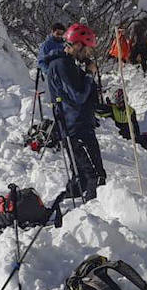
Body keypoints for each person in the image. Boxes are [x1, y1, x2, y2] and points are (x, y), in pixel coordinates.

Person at [45, 23, 108, 199]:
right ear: (78, 45)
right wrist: (88, 74)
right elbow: (78, 96)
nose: (88, 54)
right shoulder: (62, 65)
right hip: (75, 128)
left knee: (85, 178)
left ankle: (80, 209)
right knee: (94, 177)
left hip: (79, 126)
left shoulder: (68, 64)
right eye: (87, 49)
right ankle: (94, 217)